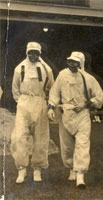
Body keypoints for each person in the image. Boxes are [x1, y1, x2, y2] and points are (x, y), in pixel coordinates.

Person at [47, 51, 103, 189]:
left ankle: (80, 175)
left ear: (81, 63)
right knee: (67, 145)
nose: (72, 64)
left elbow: (99, 97)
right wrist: (51, 107)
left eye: (76, 62)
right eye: (70, 61)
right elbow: (54, 92)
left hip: (82, 114)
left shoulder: (88, 78)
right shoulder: (62, 75)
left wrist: (86, 104)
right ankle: (71, 168)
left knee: (82, 144)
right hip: (66, 113)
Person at [10, 42, 54, 183]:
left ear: (39, 54)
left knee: (41, 136)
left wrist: (43, 101)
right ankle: (21, 169)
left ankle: (37, 169)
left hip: (40, 101)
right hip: (23, 103)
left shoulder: (47, 69)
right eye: (31, 52)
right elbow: (15, 89)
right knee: (19, 137)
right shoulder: (19, 68)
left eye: (36, 53)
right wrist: (22, 102)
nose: (33, 55)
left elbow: (51, 87)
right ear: (27, 53)